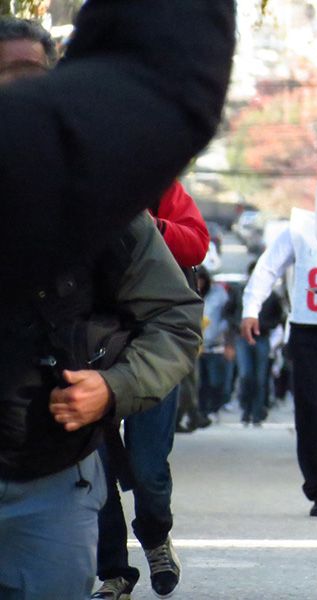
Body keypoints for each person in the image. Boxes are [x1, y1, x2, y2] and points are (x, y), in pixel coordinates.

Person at [0, 5, 232, 598]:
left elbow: (177, 317)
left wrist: (113, 387)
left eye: (26, 78)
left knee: (148, 474)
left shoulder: (108, 204)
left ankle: (148, 542)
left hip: (51, 484)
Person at [93, 181, 209, 599]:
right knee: (96, 470)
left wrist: (148, 225)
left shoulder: (160, 185)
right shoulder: (71, 187)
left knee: (148, 468)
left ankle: (157, 538)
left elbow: (196, 245)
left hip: (154, 347)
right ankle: (114, 572)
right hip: (92, 351)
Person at [241, 198, 317, 517]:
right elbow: (268, 267)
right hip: (309, 331)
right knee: (311, 412)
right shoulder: (301, 227)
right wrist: (251, 309)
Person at [228, 260, 286, 426]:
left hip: (262, 338)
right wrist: (237, 324)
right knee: (246, 375)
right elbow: (228, 311)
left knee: (261, 377)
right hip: (243, 338)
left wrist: (265, 325)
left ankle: (257, 412)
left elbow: (279, 317)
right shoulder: (239, 292)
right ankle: (246, 408)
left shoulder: (272, 296)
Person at [197, 266, 232, 421]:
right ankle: (203, 411)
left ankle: (214, 407)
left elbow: (227, 315)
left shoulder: (219, 294)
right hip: (196, 345)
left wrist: (225, 336)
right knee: (201, 382)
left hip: (215, 344)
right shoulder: (190, 292)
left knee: (215, 380)